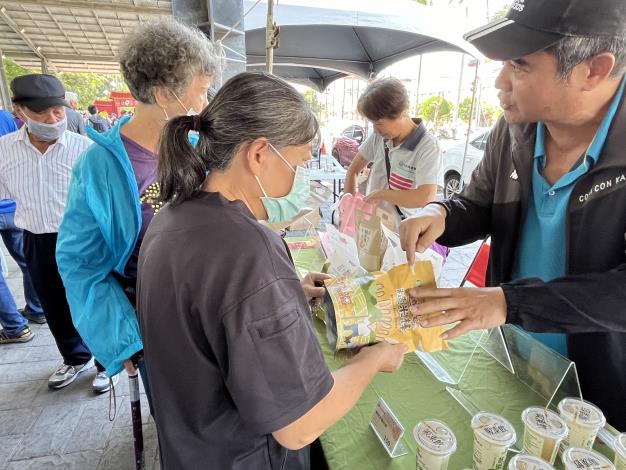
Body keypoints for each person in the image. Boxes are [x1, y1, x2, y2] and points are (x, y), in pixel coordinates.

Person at [136, 72, 407, 469]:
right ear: (259, 153)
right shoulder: (248, 249)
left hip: (191, 446)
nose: (303, 176)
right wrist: (374, 360)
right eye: (299, 161)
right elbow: (298, 425)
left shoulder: (173, 215)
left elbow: (209, 316)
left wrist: (289, 293)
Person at [400, 0, 626, 428]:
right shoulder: (516, 126)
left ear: (594, 69)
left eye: (519, 66)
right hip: (514, 357)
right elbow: (479, 203)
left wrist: (508, 302)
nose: (500, 82)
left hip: (603, 391)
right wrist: (441, 214)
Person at [56, 19, 218, 403]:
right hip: (153, 317)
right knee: (177, 410)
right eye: (201, 91)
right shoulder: (99, 168)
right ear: (164, 94)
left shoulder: (200, 147)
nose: (206, 103)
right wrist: (121, 338)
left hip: (210, 302)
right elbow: (80, 263)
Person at [0, 73, 116, 392]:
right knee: (53, 303)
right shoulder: (4, 151)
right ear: (19, 110)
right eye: (43, 113)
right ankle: (75, 358)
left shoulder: (84, 148)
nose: (53, 119)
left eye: (59, 111)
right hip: (37, 239)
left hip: (83, 239)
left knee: (92, 301)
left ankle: (108, 361)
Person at [344, 78, 441, 229]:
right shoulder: (379, 137)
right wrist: (348, 207)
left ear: (401, 113)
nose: (376, 130)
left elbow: (425, 196)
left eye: (379, 123)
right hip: (373, 228)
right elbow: (353, 170)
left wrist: (381, 194)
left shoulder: (427, 146)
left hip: (402, 234)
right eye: (373, 124)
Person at [0, 108, 45, 344]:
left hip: (13, 205)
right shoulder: (6, 120)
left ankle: (15, 326)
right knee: (27, 263)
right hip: (17, 208)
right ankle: (37, 309)